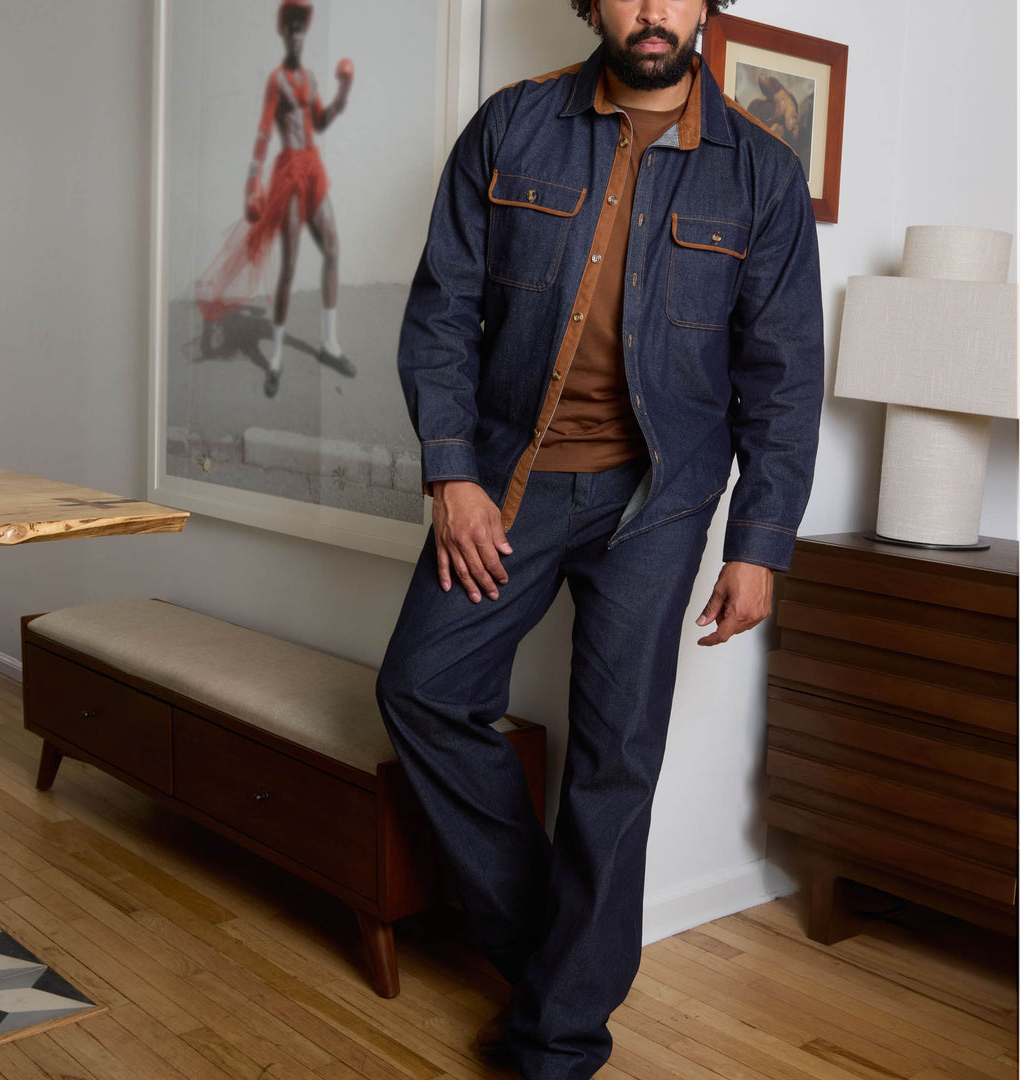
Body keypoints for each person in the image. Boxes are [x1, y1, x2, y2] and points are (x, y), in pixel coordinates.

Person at [375, 1, 823, 1077]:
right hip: (509, 484)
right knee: (421, 688)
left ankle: (558, 1041)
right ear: (590, 5)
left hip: (658, 503)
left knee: (616, 758)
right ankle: (553, 953)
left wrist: (759, 543)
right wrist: (452, 471)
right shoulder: (511, 126)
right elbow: (442, 311)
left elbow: (783, 375)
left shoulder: (760, 172)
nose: (653, 10)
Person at [195, 0, 354, 395]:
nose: (298, 36)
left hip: (313, 167)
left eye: (303, 30)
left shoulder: (312, 78)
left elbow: (317, 121)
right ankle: (278, 356)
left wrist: (342, 94)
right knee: (289, 265)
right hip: (289, 173)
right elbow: (265, 130)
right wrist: (253, 179)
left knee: (333, 248)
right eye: (293, 29)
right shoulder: (276, 80)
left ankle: (330, 343)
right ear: (285, 34)